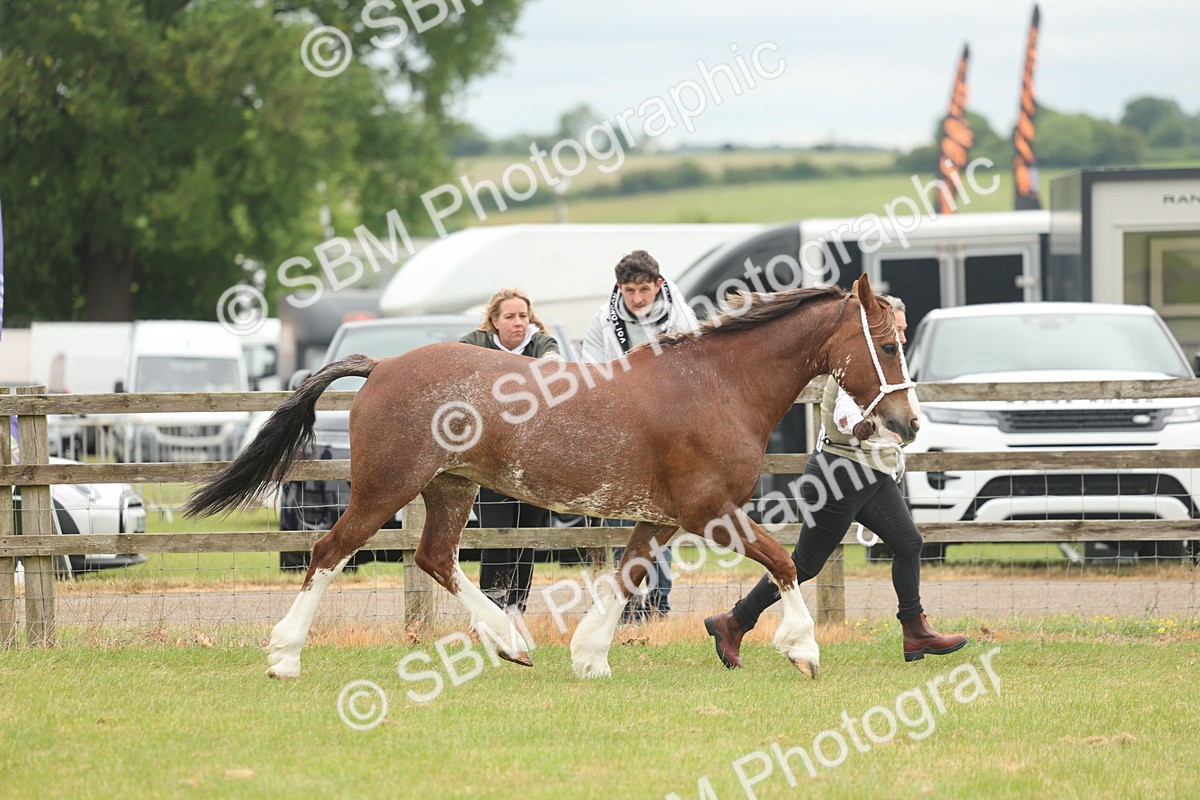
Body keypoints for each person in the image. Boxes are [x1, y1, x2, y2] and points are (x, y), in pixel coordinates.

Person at [704, 296, 968, 666]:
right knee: (805, 565)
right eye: (898, 328)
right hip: (837, 477)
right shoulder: (859, 360)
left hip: (870, 475)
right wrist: (865, 427)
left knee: (908, 543)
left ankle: (915, 632)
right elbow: (845, 415)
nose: (902, 336)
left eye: (905, 329)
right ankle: (733, 622)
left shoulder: (890, 362)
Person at [581, 250, 700, 619]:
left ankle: (659, 601)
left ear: (658, 285)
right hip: (623, 426)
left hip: (669, 428)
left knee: (662, 516)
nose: (637, 299)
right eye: (629, 290)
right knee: (624, 519)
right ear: (620, 288)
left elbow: (693, 366)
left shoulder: (681, 316)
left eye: (644, 289)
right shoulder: (601, 321)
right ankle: (628, 602)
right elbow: (592, 373)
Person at [461, 288, 561, 613]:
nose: (519, 323)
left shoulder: (539, 341)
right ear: (494, 321)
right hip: (491, 457)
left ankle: (517, 609)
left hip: (535, 456)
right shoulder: (476, 343)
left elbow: (554, 362)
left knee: (527, 536)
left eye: (523, 316)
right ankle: (492, 608)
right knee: (496, 535)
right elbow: (452, 365)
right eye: (510, 317)